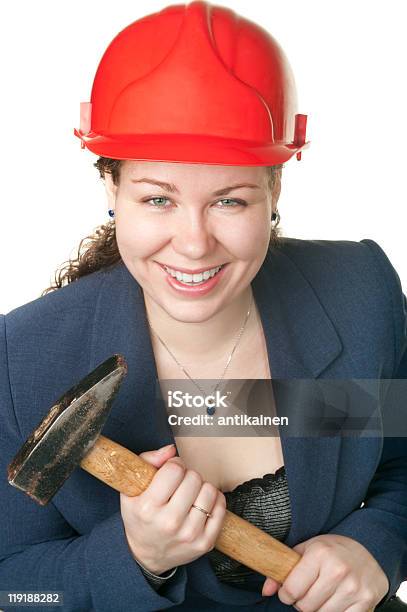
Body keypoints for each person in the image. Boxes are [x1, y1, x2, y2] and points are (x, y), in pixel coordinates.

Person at [0, 2, 406, 611]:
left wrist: (378, 544)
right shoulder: (25, 357)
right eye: (158, 199)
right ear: (112, 189)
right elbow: (17, 588)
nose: (193, 244)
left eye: (230, 201)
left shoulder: (356, 296)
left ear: (274, 190)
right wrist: (136, 557)